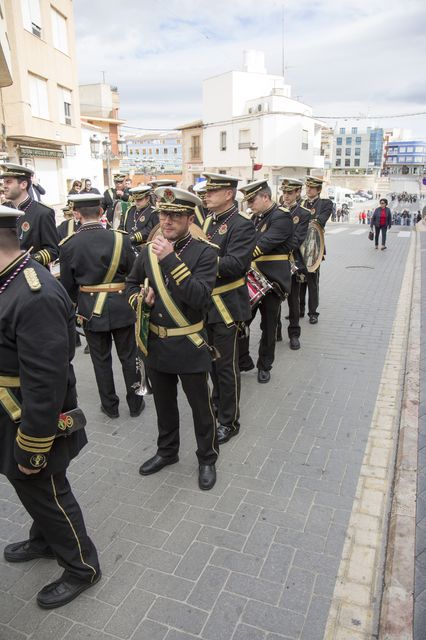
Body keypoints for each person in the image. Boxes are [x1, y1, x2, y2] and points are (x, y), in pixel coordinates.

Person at [0, 204, 100, 608]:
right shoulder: (9, 281)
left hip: (32, 417)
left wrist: (33, 446)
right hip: (13, 410)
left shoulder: (32, 291)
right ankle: (44, 541)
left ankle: (82, 567)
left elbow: (47, 382)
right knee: (35, 491)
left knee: (47, 490)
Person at [126, 187, 219, 490]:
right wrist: (140, 299)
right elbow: (128, 285)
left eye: (175, 215)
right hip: (157, 344)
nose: (166, 220)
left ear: (190, 218)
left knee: (200, 408)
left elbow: (200, 298)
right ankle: (167, 452)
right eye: (163, 214)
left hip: (189, 344)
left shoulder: (205, 253)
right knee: (165, 406)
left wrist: (169, 260)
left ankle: (207, 457)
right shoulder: (148, 250)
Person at [59, 193, 144, 419]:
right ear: (101, 212)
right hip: (122, 305)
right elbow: (134, 272)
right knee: (129, 357)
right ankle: (136, 404)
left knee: (100, 360)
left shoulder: (68, 245)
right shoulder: (121, 238)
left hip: (90, 310)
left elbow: (67, 286)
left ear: (77, 214)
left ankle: (110, 406)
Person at [202, 173, 256, 444]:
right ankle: (217, 403)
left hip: (226, 306)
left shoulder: (241, 224)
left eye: (213, 191)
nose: (206, 195)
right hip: (206, 305)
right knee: (212, 364)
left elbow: (235, 265)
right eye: (206, 191)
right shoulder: (209, 221)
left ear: (228, 194)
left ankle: (229, 420)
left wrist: (199, 262)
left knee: (226, 367)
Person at [237, 180, 293, 382]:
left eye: (252, 200)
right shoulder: (254, 218)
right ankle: (243, 360)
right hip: (252, 278)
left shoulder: (282, 217)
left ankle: (264, 365)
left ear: (266, 197)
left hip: (272, 280)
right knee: (242, 322)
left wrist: (236, 258)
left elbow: (263, 244)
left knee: (268, 327)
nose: (250, 204)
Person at [1, 163, 59, 267]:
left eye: (8, 182)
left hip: (31, 274)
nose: (4, 186)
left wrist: (27, 260)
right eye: (4, 182)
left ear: (23, 184)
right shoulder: (3, 210)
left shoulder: (43, 212)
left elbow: (53, 250)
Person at [280, 179, 310, 350]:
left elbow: (298, 239)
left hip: (293, 262)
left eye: (290, 193)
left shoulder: (303, 213)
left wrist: (274, 244)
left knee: (293, 301)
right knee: (273, 301)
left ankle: (294, 334)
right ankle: (276, 330)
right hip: (275, 263)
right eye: (284, 192)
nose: (286, 196)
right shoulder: (276, 210)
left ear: (298, 193)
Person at [300, 176, 333, 324]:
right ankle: (299, 309)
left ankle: (313, 312)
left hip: (314, 248)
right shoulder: (301, 203)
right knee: (299, 281)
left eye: (311, 188)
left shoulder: (325, 204)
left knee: (312, 282)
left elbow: (320, 220)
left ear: (318, 190)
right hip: (299, 247)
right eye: (307, 187)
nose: (308, 190)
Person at [119, 185, 159, 251]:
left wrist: (132, 237)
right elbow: (122, 226)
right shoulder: (130, 210)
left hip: (143, 247)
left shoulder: (153, 212)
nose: (137, 202)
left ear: (147, 199)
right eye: (135, 199)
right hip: (127, 244)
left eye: (140, 199)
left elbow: (149, 231)